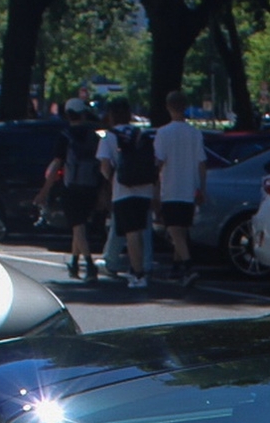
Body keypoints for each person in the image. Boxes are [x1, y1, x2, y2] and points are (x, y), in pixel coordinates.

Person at [37, 96, 105, 279]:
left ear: (68, 115)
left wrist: (44, 191)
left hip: (71, 187)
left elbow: (56, 164)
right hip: (90, 185)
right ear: (83, 114)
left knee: (78, 226)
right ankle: (74, 263)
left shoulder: (65, 136)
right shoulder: (94, 136)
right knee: (79, 225)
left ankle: (89, 265)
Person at [97, 99, 155, 289]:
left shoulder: (109, 137)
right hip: (145, 188)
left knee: (131, 233)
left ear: (111, 115)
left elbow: (105, 166)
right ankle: (143, 265)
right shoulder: (140, 133)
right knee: (142, 229)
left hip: (123, 190)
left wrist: (112, 178)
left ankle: (138, 274)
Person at [153, 90, 207, 285]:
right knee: (181, 230)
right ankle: (176, 267)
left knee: (174, 230)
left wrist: (155, 186)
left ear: (168, 107)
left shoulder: (163, 133)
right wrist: (202, 188)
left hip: (171, 187)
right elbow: (202, 163)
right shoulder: (194, 133)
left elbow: (159, 160)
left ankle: (188, 265)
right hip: (189, 187)